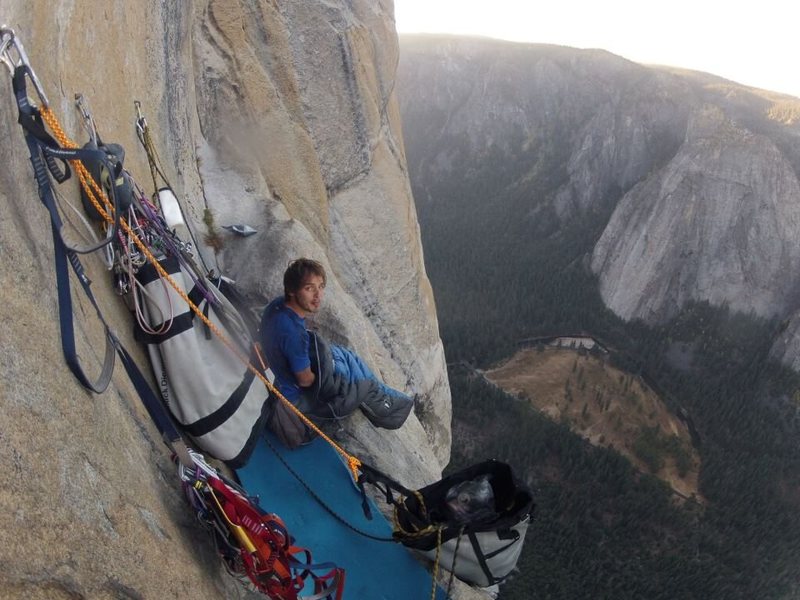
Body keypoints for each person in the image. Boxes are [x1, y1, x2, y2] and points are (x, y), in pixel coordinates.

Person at [260, 258, 414, 447]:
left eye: (321, 287)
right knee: (358, 381)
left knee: (346, 357)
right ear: (292, 290)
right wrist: (327, 374)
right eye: (309, 288)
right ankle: (392, 408)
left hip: (279, 377)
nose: (318, 296)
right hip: (296, 404)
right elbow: (306, 380)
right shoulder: (294, 334)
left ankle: (388, 399)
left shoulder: (277, 306)